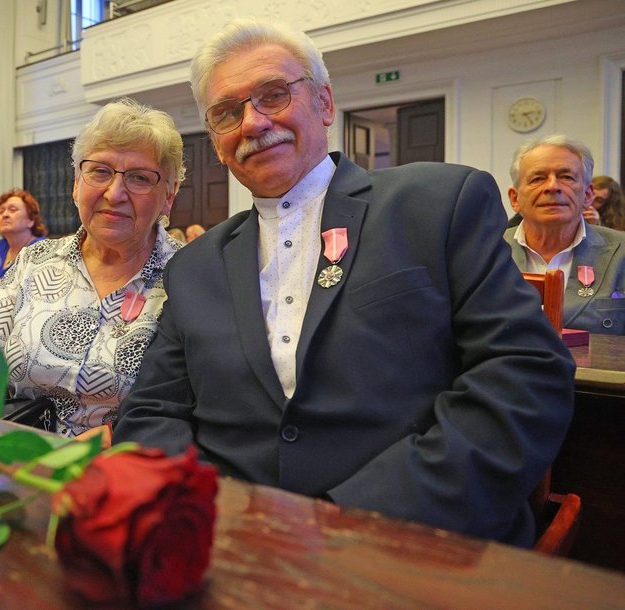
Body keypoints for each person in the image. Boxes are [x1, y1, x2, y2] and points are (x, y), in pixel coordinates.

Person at [113, 18, 575, 547]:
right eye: (226, 112)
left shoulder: (436, 204)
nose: (253, 123)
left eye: (273, 95)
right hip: (232, 542)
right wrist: (207, 513)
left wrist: (349, 518)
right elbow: (152, 412)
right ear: (216, 142)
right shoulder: (195, 266)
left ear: (325, 103)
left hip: (412, 539)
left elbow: (525, 376)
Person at [0, 98, 185, 437]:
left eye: (139, 178)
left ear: (169, 195)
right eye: (100, 171)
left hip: (125, 466)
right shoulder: (34, 262)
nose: (115, 193)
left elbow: (191, 404)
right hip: (15, 456)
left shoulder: (186, 277)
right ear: (76, 183)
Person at [503, 136, 625, 334]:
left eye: (566, 177)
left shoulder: (621, 253)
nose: (552, 187)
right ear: (515, 198)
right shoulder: (485, 253)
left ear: (587, 195)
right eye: (538, 178)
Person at [0, 189, 48, 289]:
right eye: (0, 211)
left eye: (13, 210)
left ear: (31, 220)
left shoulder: (44, 250)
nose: (5, 215)